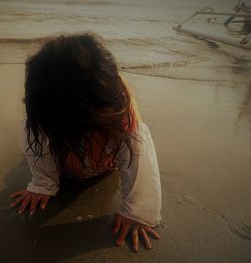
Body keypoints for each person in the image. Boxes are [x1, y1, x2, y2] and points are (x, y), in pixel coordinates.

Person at [10, 33, 161, 252]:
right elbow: (34, 136)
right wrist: (43, 184)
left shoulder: (122, 118)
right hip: (64, 159)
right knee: (38, 130)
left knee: (125, 138)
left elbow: (139, 155)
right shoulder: (42, 114)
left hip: (103, 161)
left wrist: (138, 213)